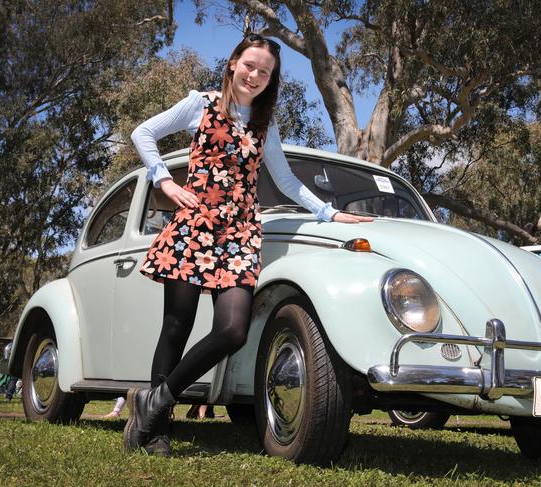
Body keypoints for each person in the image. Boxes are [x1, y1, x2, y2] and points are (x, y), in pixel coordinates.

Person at [122, 33, 371, 457]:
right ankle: (155, 430)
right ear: (233, 63)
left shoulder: (264, 123)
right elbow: (142, 133)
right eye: (250, 66)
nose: (255, 75)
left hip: (239, 234)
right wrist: (163, 178)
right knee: (176, 326)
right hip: (194, 225)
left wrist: (331, 214)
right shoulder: (199, 104)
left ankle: (154, 400)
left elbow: (287, 181)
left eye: (265, 72)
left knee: (233, 330)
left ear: (270, 80)